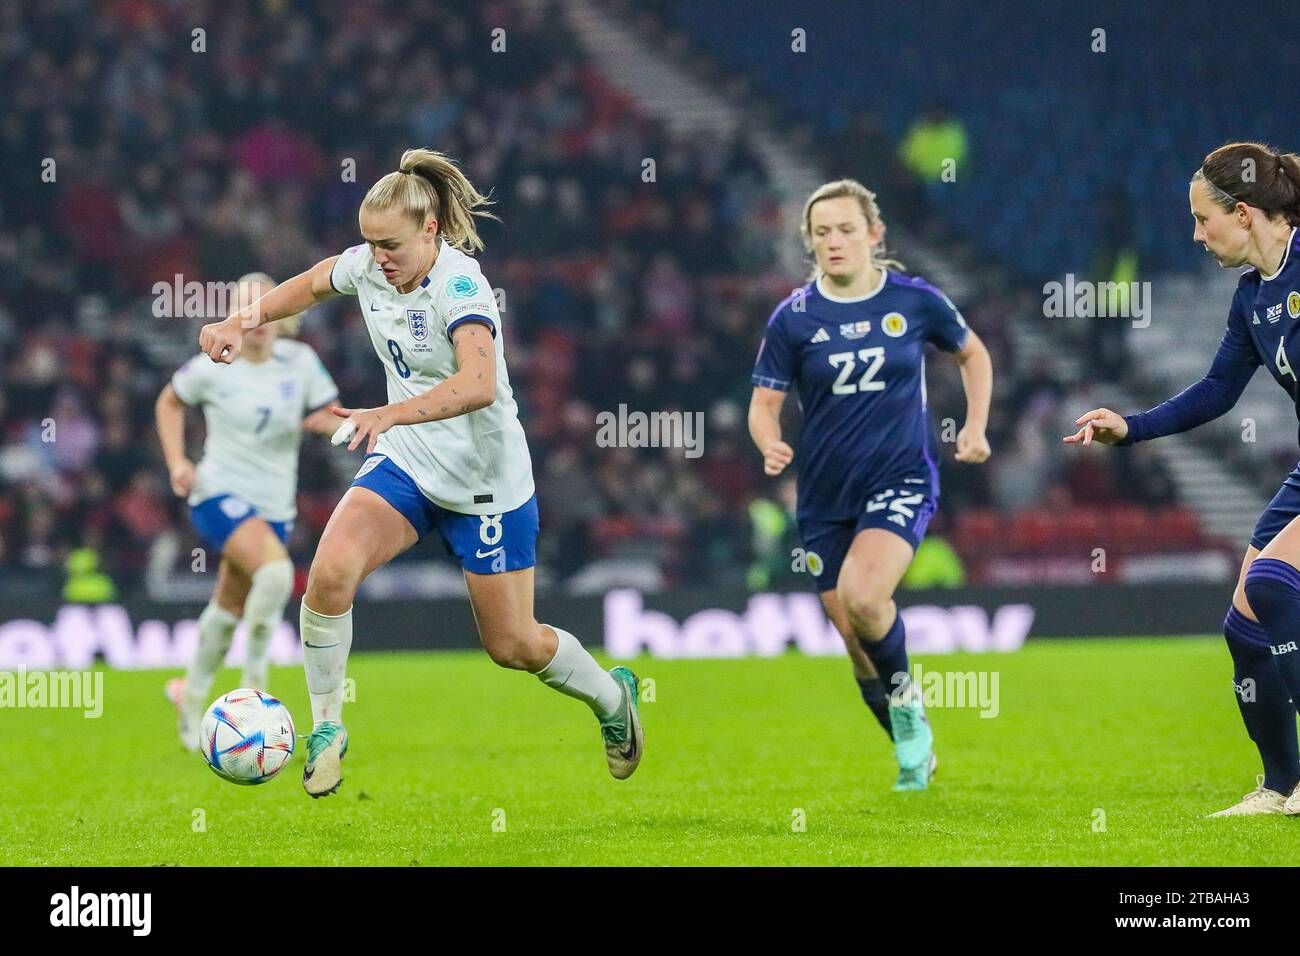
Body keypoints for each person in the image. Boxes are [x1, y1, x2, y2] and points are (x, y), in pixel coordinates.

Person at [196, 149, 643, 798]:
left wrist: (391, 411)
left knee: (513, 645)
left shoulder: (461, 288)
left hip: (485, 481)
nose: (378, 257)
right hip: (409, 461)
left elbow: (480, 384)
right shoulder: (370, 265)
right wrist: (242, 320)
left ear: (430, 231)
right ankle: (327, 730)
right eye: (370, 243)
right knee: (328, 574)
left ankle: (611, 697)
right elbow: (319, 279)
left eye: (391, 245)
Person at [1065, 141, 1300, 817]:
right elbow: (1219, 390)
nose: (1196, 236)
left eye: (1203, 220)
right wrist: (1129, 427)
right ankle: (1281, 786)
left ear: (1247, 213)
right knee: (1245, 627)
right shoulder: (1254, 296)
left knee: (1273, 583)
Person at [748, 179, 993, 791]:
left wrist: (976, 426)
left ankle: (909, 709)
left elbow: (974, 355)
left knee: (863, 599)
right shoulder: (793, 319)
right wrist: (768, 439)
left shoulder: (916, 302)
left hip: (901, 477)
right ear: (809, 241)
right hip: (824, 498)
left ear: (874, 235)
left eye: (846, 230)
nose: (834, 242)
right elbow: (763, 403)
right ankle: (914, 747)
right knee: (857, 646)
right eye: (822, 232)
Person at [157, 273, 341, 750]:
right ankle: (255, 693)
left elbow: (323, 411)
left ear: (282, 313)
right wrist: (178, 463)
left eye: (265, 307)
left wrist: (342, 427)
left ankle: (191, 694)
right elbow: (170, 401)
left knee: (230, 602)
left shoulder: (300, 362)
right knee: (277, 575)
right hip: (218, 493)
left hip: (274, 505)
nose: (256, 318)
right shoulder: (215, 363)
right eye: (245, 307)